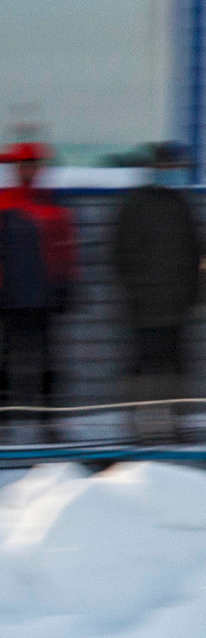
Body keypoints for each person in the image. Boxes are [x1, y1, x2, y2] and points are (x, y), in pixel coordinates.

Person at [0, 141, 79, 440]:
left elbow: (66, 251)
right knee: (2, 364)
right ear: (15, 167)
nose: (29, 170)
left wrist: (65, 286)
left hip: (43, 299)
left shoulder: (53, 207)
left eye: (34, 164)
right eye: (24, 164)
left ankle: (48, 424)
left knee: (47, 365)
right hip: (7, 300)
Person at [108, 141, 201, 443]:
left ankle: (174, 423)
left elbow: (194, 253)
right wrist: (136, 288)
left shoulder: (180, 205)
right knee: (141, 366)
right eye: (168, 168)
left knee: (174, 367)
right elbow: (121, 253)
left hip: (175, 306)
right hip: (143, 306)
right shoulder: (136, 205)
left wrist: (193, 295)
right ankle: (137, 427)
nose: (172, 173)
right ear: (156, 170)